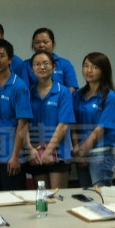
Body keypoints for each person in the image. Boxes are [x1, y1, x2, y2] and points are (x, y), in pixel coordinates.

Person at [0, 39, 33, 191]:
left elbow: (23, 124)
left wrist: (16, 157)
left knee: (13, 201)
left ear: (10, 59)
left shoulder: (19, 87)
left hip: (10, 155)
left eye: (1, 56)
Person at [25, 50, 75, 190]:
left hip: (58, 153)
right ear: (32, 68)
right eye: (37, 64)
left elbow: (63, 125)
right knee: (42, 196)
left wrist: (49, 151)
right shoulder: (28, 93)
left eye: (45, 63)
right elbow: (23, 124)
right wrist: (29, 149)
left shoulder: (63, 92)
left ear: (53, 67)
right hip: (36, 153)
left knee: (57, 197)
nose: (42, 67)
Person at [72, 52, 115, 187]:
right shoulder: (77, 95)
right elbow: (73, 125)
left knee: (100, 195)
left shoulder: (109, 96)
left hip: (100, 154)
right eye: (86, 66)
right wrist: (77, 150)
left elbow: (101, 129)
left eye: (94, 67)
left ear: (104, 71)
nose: (89, 70)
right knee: (86, 195)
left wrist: (82, 151)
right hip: (81, 153)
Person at [21, 28, 78, 92]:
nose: (41, 45)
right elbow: (24, 89)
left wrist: (62, 97)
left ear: (53, 43)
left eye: (45, 42)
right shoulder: (26, 65)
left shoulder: (65, 64)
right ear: (33, 44)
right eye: (37, 42)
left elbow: (71, 87)